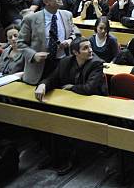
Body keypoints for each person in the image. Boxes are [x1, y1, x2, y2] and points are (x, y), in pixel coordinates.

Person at [34, 37, 108, 175]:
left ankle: (68, 159)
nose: (90, 50)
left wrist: (72, 87)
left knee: (63, 121)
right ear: (75, 52)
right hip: (70, 103)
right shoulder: (65, 62)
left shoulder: (97, 64)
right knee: (42, 115)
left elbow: (89, 89)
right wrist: (43, 85)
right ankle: (54, 156)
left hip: (92, 105)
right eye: (85, 48)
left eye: (90, 47)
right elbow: (53, 78)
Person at [18, 0, 79, 85]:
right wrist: (33, 55)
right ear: (46, 2)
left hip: (62, 62)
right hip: (40, 64)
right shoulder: (31, 19)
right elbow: (20, 43)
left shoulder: (67, 15)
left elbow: (74, 32)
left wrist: (70, 40)